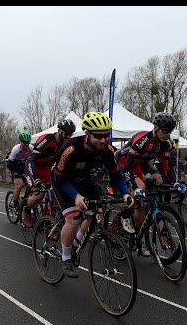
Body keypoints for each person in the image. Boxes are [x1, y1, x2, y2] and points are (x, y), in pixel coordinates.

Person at [52, 111, 133, 278]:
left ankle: (76, 244)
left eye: (106, 135)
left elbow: (116, 174)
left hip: (82, 179)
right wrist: (76, 196)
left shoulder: (106, 149)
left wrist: (125, 193)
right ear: (87, 134)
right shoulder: (71, 148)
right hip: (63, 181)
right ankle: (66, 256)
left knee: (96, 213)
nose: (103, 140)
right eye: (97, 136)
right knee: (73, 218)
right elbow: (59, 179)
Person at [115, 112, 180, 254]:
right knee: (141, 190)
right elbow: (128, 167)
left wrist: (175, 183)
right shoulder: (142, 140)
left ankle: (155, 207)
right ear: (155, 127)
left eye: (170, 132)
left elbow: (167, 168)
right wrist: (135, 188)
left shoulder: (165, 144)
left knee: (159, 179)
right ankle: (128, 217)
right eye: (164, 131)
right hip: (124, 162)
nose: (167, 135)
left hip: (142, 162)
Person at [24, 119, 76, 227]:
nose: (68, 137)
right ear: (59, 131)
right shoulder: (47, 139)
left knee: (55, 195)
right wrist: (36, 179)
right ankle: (27, 211)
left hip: (48, 168)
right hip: (35, 166)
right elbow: (32, 159)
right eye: (66, 134)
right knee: (38, 195)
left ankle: (48, 220)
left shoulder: (66, 143)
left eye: (71, 134)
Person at [6, 130, 34, 224]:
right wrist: (14, 173)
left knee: (32, 186)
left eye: (27, 142)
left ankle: (26, 200)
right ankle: (14, 203)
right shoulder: (16, 149)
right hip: (16, 168)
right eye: (24, 142)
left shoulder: (31, 148)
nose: (26, 144)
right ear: (20, 141)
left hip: (25, 168)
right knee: (19, 185)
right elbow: (9, 163)